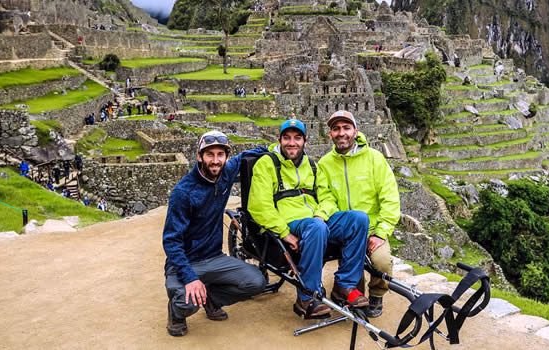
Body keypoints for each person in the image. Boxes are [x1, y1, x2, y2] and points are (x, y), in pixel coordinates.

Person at [248, 119, 370, 319]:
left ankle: (344, 286)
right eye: (287, 138)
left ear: (305, 141)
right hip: (289, 221)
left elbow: (327, 197)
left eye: (297, 138)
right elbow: (259, 205)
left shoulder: (312, 166)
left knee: (359, 219)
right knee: (316, 227)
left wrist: (320, 215)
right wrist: (284, 232)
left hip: (315, 219)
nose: (292, 143)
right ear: (279, 140)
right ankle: (307, 297)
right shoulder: (267, 164)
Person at [162, 131, 267, 337]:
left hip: (214, 257)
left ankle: (212, 299)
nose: (216, 160)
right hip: (184, 262)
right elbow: (171, 241)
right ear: (199, 156)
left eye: (221, 154)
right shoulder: (183, 192)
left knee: (257, 282)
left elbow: (248, 154)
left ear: (226, 157)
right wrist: (190, 277)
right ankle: (176, 313)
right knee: (188, 301)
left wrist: (276, 149)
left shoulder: (226, 172)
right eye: (210, 154)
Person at [316, 110, 401, 318]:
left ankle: (377, 294)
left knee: (382, 262)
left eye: (346, 128)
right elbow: (325, 198)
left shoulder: (374, 159)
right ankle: (346, 292)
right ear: (330, 134)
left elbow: (390, 197)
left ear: (355, 131)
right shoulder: (325, 164)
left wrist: (381, 232)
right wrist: (329, 219)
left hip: (372, 228)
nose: (341, 133)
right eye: (336, 129)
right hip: (346, 227)